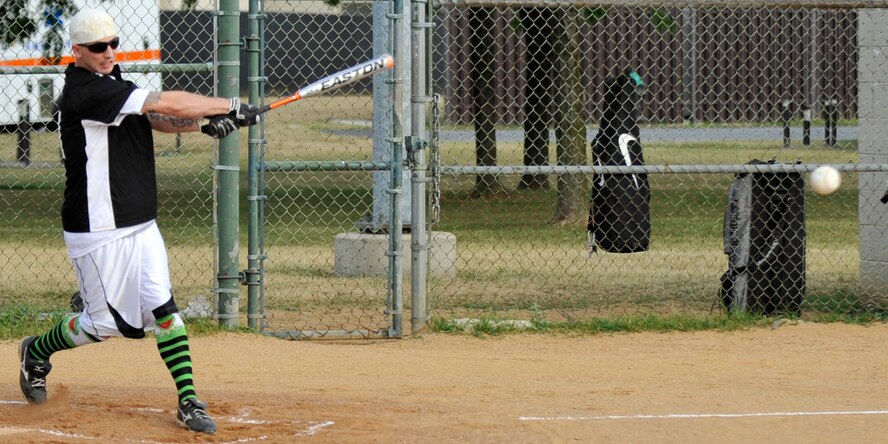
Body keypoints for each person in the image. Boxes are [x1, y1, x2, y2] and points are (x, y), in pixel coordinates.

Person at [17, 8, 259, 435]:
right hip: (98, 229)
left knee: (165, 311)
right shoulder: (83, 92)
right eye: (98, 47)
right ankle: (36, 351)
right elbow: (160, 101)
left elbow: (155, 118)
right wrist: (231, 104)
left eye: (113, 43)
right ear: (76, 52)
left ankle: (188, 400)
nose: (109, 52)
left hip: (139, 221)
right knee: (102, 325)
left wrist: (205, 123)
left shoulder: (111, 79)